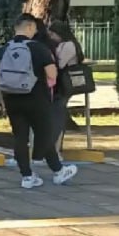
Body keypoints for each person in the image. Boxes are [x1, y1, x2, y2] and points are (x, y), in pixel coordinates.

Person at [0, 14, 76, 189]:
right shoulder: (39, 49)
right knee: (44, 135)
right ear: (30, 27)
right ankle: (58, 170)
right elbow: (52, 74)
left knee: (20, 137)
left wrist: (2, 101)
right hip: (36, 98)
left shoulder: (4, 50)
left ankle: (27, 176)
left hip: (11, 99)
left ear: (16, 27)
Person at [49, 20, 84, 151]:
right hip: (63, 84)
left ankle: (57, 146)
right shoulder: (66, 44)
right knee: (58, 111)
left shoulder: (68, 46)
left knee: (58, 112)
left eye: (52, 34)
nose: (51, 37)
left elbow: (60, 63)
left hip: (65, 84)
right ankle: (56, 145)